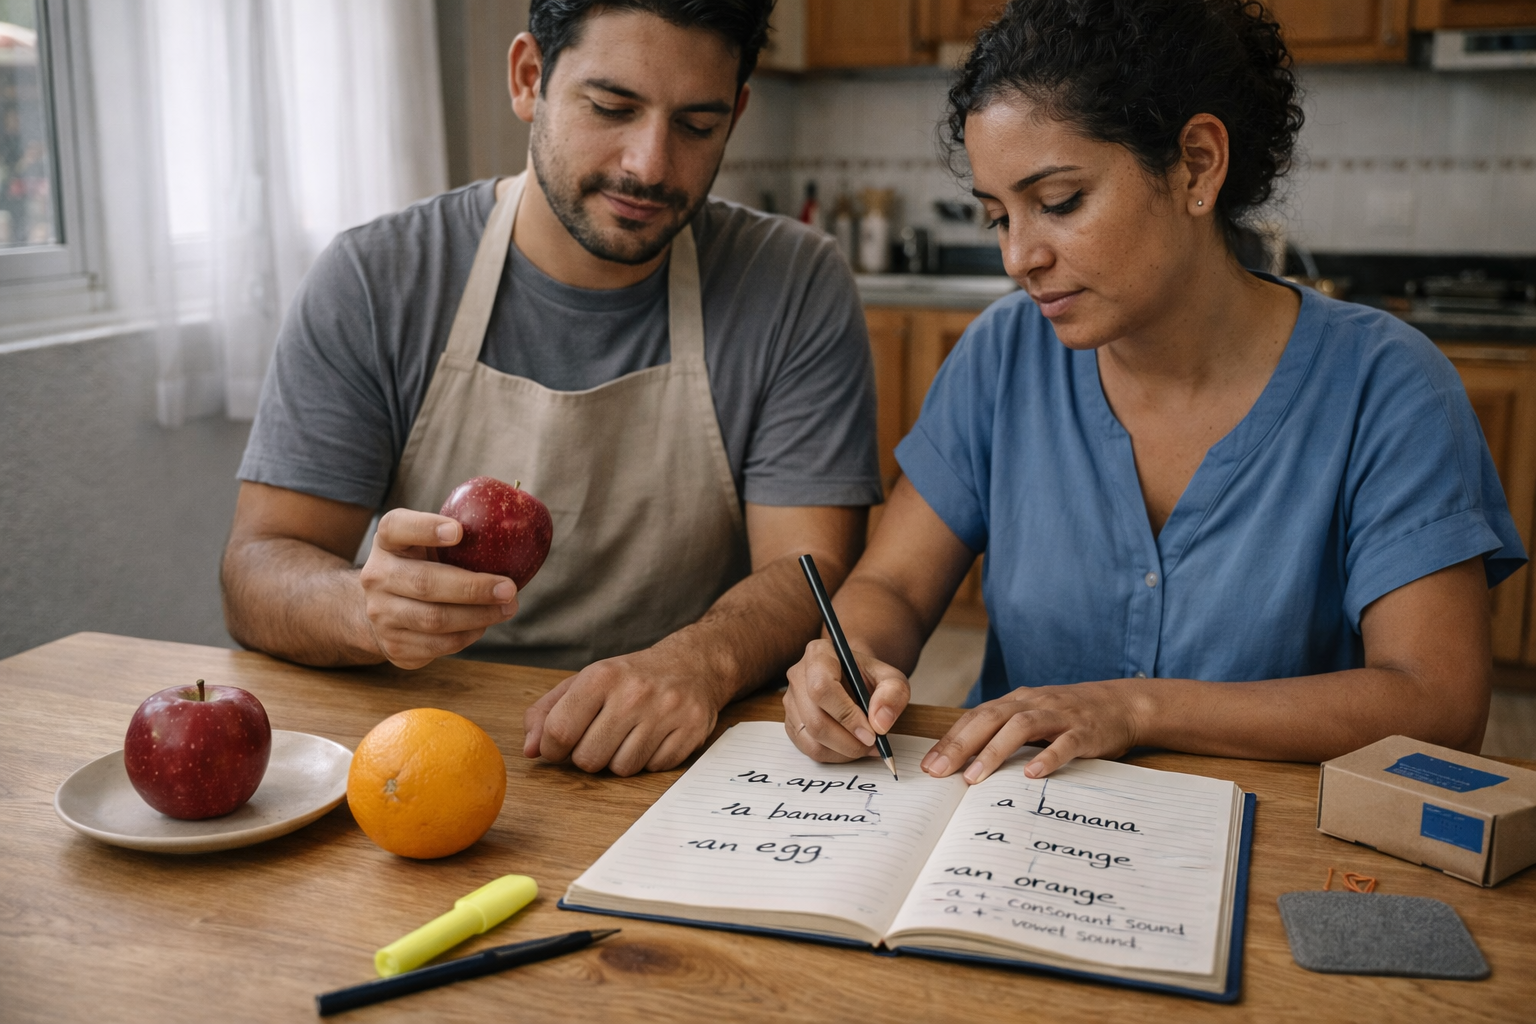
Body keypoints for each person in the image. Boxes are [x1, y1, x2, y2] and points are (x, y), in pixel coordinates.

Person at [784, 0, 1527, 783]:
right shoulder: (1002, 354)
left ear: (1197, 165)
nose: (1019, 257)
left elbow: (1437, 704)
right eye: (998, 217)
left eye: (1059, 202)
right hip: (1007, 835)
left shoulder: (1389, 387)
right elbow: (894, 585)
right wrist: (850, 654)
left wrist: (1138, 709)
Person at [222, 0, 883, 776]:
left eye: (697, 126)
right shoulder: (377, 278)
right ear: (529, 77)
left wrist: (701, 662)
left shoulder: (795, 284)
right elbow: (255, 568)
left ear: (736, 112)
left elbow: (812, 566)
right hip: (424, 750)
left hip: (671, 748)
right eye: (611, 108)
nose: (649, 164)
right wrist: (361, 609)